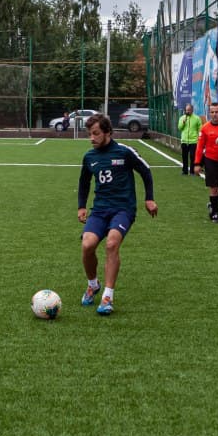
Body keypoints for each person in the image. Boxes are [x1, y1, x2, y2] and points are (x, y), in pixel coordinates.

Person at [77, 114, 157, 316]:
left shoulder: (124, 152)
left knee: (112, 244)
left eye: (96, 133)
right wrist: (81, 206)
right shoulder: (89, 157)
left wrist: (149, 198)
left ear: (108, 133)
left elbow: (145, 171)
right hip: (100, 210)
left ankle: (107, 297)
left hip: (123, 209)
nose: (92, 138)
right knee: (87, 245)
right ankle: (93, 284)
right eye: (89, 134)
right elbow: (84, 183)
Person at [177, 102, 202, 175]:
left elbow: (200, 129)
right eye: (187, 110)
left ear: (192, 110)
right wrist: (183, 122)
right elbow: (179, 128)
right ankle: (184, 171)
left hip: (193, 141)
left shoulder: (197, 118)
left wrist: (198, 138)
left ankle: (192, 171)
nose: (187, 111)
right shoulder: (182, 118)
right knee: (184, 156)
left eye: (189, 110)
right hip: (184, 140)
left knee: (192, 156)